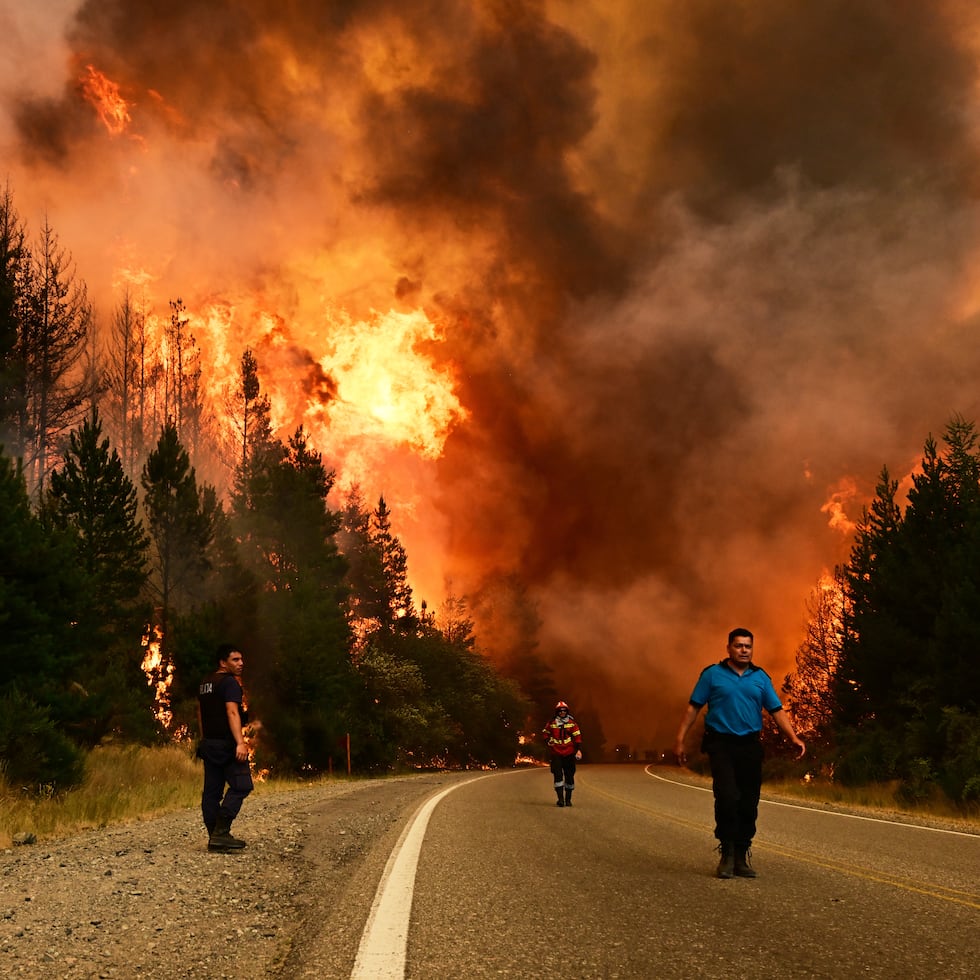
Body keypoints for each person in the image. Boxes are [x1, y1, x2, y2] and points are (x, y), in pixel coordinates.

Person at [674, 628, 805, 879]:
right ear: (728, 648)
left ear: (752, 649)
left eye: (747, 646)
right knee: (727, 797)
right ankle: (727, 854)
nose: (743, 650)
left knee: (748, 801)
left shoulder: (760, 678)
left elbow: (777, 711)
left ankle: (742, 854)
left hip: (750, 746)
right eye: (738, 646)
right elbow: (693, 709)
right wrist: (679, 739)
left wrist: (793, 737)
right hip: (721, 744)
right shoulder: (712, 675)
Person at [197, 644, 254, 853]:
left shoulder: (205, 683)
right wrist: (240, 742)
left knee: (212, 791)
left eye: (241, 659)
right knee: (242, 785)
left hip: (209, 744)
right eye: (235, 660)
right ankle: (221, 831)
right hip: (226, 744)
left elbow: (200, 714)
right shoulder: (229, 683)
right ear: (223, 662)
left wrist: (204, 740)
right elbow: (232, 712)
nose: (241, 664)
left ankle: (214, 836)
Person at [542, 701, 583, 807]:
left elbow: (577, 737)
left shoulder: (572, 723)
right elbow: (545, 733)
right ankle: (560, 799)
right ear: (557, 712)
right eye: (560, 711)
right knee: (558, 775)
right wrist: (548, 741)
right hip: (556, 753)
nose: (562, 713)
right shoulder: (551, 723)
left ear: (567, 711)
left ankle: (568, 799)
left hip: (569, 753)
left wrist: (578, 750)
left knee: (569, 776)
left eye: (564, 711)